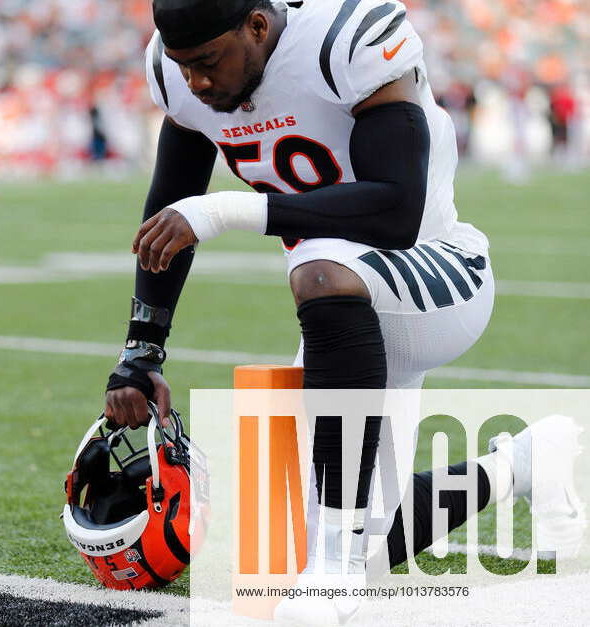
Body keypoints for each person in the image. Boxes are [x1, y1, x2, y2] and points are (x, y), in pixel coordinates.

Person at [104, 1, 583, 623]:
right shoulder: (182, 72)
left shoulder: (345, 37)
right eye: (182, 64)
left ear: (256, 25)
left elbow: (396, 209)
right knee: (346, 531)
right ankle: (522, 464)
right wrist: (141, 351)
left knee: (323, 264)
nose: (195, 81)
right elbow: (169, 215)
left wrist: (232, 211)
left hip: (435, 275)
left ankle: (334, 568)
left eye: (207, 62)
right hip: (346, 312)